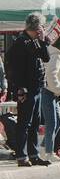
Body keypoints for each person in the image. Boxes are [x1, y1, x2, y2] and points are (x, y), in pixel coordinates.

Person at [3, 14, 51, 167]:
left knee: (35, 123)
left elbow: (45, 57)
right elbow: (13, 68)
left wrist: (43, 41)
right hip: (26, 89)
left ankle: (33, 154)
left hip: (36, 87)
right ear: (36, 28)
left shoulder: (33, 41)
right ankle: (22, 156)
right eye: (40, 27)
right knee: (24, 123)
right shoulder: (21, 42)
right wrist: (18, 87)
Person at [40, 35, 60, 162]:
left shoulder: (57, 55)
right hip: (49, 92)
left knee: (58, 122)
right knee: (52, 122)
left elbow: (55, 76)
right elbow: (51, 74)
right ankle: (48, 152)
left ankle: (44, 148)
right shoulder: (57, 56)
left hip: (52, 93)